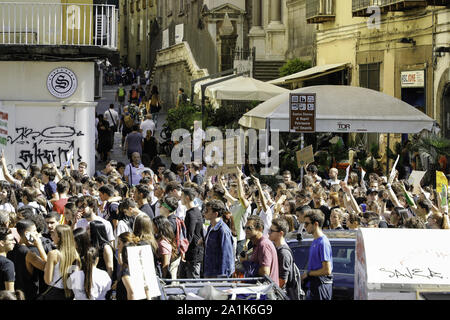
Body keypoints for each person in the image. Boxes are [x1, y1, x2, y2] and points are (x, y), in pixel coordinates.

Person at [301, 209, 333, 300]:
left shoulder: (323, 242)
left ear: (315, 224)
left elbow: (327, 270)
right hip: (313, 286)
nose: (304, 226)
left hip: (321, 287)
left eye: (307, 224)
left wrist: (309, 273)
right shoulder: (315, 241)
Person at [43, 225, 81, 300]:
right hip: (70, 293)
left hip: (54, 293)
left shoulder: (53, 254)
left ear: (60, 237)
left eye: (54, 234)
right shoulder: (76, 254)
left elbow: (48, 280)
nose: (51, 236)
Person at [269, 218, 301, 300]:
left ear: (280, 233)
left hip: (280, 295)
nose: (269, 233)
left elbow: (282, 280)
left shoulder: (284, 253)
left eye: (272, 231)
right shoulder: (276, 248)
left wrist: (270, 292)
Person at [240, 215, 279, 283]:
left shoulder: (264, 245)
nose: (246, 230)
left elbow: (265, 272)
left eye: (249, 228)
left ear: (260, 229)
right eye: (245, 228)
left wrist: (245, 263)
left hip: (265, 291)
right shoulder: (257, 244)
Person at [202, 200, 235, 278]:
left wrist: (222, 277)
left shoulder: (223, 230)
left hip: (218, 274)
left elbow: (226, 255)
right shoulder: (211, 226)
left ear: (215, 214)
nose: (204, 212)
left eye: (207, 210)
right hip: (209, 271)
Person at [178, 188, 204, 279]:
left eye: (182, 196)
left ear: (187, 198)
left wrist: (183, 250)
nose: (180, 198)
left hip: (193, 253)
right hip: (193, 252)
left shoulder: (192, 213)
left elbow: (190, 234)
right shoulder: (194, 211)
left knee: (193, 281)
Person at [0, 228, 15, 292]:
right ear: (2, 243)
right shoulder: (7, 264)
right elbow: (10, 293)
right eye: (11, 240)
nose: (14, 242)